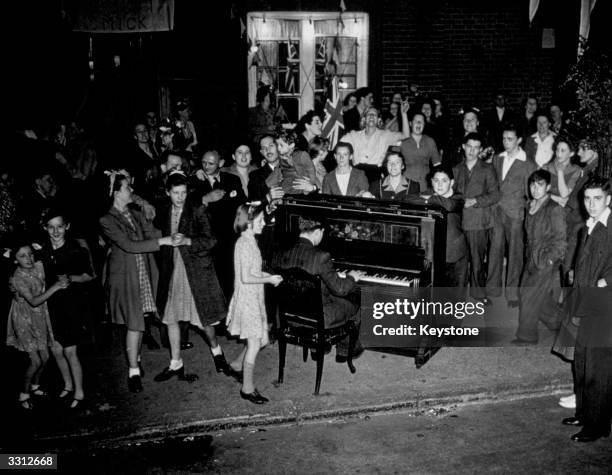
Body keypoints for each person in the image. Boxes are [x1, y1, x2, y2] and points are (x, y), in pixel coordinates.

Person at [99, 171, 175, 393]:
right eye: (127, 188)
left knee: (139, 320)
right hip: (126, 277)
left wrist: (175, 234)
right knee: (134, 323)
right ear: (116, 192)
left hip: (143, 271)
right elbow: (129, 245)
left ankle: (136, 359)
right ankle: (133, 371)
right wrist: (164, 240)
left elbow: (152, 233)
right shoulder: (106, 220)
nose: (131, 191)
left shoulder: (135, 213)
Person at [154, 173, 233, 383]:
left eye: (183, 193)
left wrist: (189, 240)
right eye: (175, 193)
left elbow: (211, 240)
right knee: (170, 316)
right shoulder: (164, 211)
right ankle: (175, 363)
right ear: (167, 193)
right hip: (173, 270)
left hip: (196, 271)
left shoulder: (197, 210)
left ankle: (217, 352)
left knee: (203, 318)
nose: (180, 197)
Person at [272, 218, 365, 363]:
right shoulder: (320, 256)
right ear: (316, 232)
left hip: (289, 314)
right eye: (322, 232)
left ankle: (317, 349)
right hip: (320, 316)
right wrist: (351, 277)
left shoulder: (280, 252)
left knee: (320, 296)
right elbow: (341, 289)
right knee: (356, 298)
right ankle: (346, 350)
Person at [561, 176, 612, 442]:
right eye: (587, 199)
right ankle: (583, 413)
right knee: (581, 362)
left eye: (598, 199)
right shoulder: (588, 226)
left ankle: (598, 425)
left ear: (608, 200)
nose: (591, 204)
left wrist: (606, 282)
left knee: (598, 368)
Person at [226, 205, 283, 404]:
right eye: (260, 221)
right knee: (254, 343)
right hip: (248, 300)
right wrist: (268, 280)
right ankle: (247, 388)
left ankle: (236, 364)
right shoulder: (244, 243)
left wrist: (269, 276)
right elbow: (245, 277)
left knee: (263, 340)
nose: (264, 224)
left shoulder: (251, 241)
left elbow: (254, 272)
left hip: (255, 297)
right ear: (249, 222)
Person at [38, 210, 94, 409]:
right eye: (51, 227)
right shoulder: (42, 252)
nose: (55, 231)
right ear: (45, 228)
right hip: (50, 306)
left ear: (67, 227)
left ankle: (79, 391)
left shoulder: (76, 250)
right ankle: (68, 385)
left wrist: (71, 279)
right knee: (56, 349)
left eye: (59, 226)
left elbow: (89, 275)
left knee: (70, 350)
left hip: (71, 305)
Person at [6, 242, 69, 409]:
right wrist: (55, 287)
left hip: (40, 316)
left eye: (30, 254)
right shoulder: (17, 278)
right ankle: (23, 393)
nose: (28, 258)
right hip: (24, 319)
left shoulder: (38, 266)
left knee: (46, 357)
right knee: (35, 361)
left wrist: (62, 279)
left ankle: (35, 385)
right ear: (15, 260)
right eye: (22, 256)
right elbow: (34, 301)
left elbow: (51, 259)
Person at [514, 170, 566, 344]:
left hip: (545, 259)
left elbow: (560, 241)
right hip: (531, 257)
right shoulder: (530, 205)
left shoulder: (554, 209)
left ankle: (526, 336)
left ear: (549, 187)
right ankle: (563, 323)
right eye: (532, 185)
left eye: (540, 185)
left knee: (529, 295)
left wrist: (549, 260)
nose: (535, 189)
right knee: (537, 297)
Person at [488, 126, 536, 306]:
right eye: (504, 138)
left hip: (516, 213)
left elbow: (531, 193)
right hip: (497, 211)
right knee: (495, 249)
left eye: (509, 139)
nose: (506, 142)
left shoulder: (528, 163)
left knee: (515, 252)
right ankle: (492, 288)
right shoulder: (497, 159)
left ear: (519, 140)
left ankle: (513, 294)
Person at [190, 150, 246, 299]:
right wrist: (205, 199)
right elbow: (188, 209)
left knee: (231, 277)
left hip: (230, 238)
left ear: (220, 163)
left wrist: (242, 232)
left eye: (211, 163)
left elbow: (242, 207)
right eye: (203, 162)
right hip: (207, 239)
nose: (206, 166)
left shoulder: (232, 179)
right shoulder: (194, 181)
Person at [453, 132, 500, 305]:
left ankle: (478, 294)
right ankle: (457, 296)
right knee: (459, 261)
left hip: (478, 222)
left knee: (477, 260)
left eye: (476, 148)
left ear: (480, 150)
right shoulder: (456, 169)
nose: (472, 151)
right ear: (463, 147)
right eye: (469, 147)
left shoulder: (487, 169)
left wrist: (476, 201)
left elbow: (496, 195)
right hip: (458, 222)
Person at [417, 166, 468, 288]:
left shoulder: (458, 198)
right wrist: (427, 198)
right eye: (436, 180)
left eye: (444, 181)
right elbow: (408, 198)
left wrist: (428, 199)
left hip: (454, 255)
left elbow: (449, 205)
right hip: (431, 255)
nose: (439, 185)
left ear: (451, 182)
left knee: (455, 299)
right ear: (431, 181)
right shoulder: (427, 194)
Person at [342, 106, 408, 183]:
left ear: (378, 120)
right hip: (356, 176)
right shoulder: (353, 135)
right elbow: (337, 142)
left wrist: (404, 114)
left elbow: (405, 135)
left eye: (375, 114)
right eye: (369, 114)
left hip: (376, 177)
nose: (372, 116)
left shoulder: (386, 135)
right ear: (364, 119)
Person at [400, 111, 442, 191]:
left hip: (425, 186)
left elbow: (437, 166)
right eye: (416, 121)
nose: (418, 123)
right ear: (410, 123)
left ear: (424, 125)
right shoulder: (402, 141)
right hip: (405, 186)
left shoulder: (430, 141)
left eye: (421, 121)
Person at [266, 131, 319, 195]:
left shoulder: (301, 155)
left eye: (281, 145)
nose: (278, 148)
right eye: (277, 145)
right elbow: (277, 171)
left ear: (291, 145)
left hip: (300, 185)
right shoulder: (281, 157)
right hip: (287, 185)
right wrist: (268, 184)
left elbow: (311, 170)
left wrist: (311, 184)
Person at [543, 138, 581, 208]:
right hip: (545, 206)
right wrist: (556, 198)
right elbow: (538, 193)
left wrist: (560, 171)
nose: (559, 154)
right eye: (557, 150)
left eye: (563, 151)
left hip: (563, 210)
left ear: (571, 153)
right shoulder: (546, 167)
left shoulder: (576, 170)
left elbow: (564, 194)